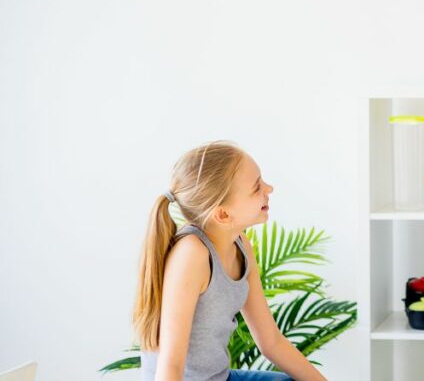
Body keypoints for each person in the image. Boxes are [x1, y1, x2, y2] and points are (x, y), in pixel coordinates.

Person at [135, 141, 326, 381]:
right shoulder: (192, 254)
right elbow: (170, 366)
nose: (269, 188)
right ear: (223, 214)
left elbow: (271, 341)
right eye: (257, 187)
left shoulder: (241, 245)